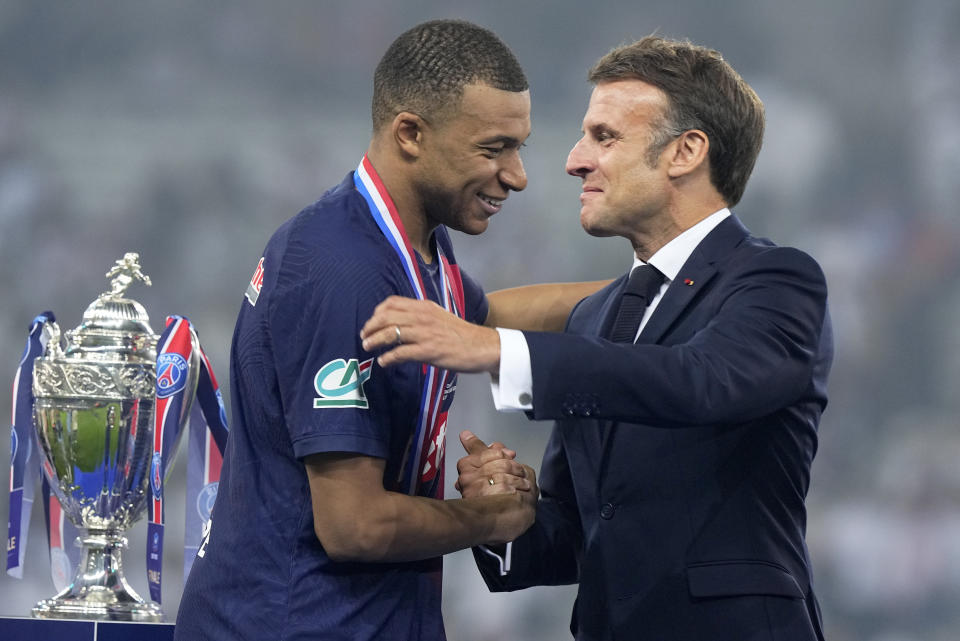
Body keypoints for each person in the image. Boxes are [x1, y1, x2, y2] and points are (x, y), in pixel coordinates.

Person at [361, 35, 834, 641]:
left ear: (686, 151)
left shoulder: (775, 279)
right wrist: (505, 515)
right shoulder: (599, 317)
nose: (574, 160)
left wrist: (498, 347)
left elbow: (702, 382)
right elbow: (579, 531)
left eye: (605, 137)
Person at [174, 19, 604, 641]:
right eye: (493, 149)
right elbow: (355, 526)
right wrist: (488, 518)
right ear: (411, 134)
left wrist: (661, 289)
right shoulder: (342, 272)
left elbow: (487, 318)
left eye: (519, 148)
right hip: (295, 624)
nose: (517, 175)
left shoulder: (411, 246)